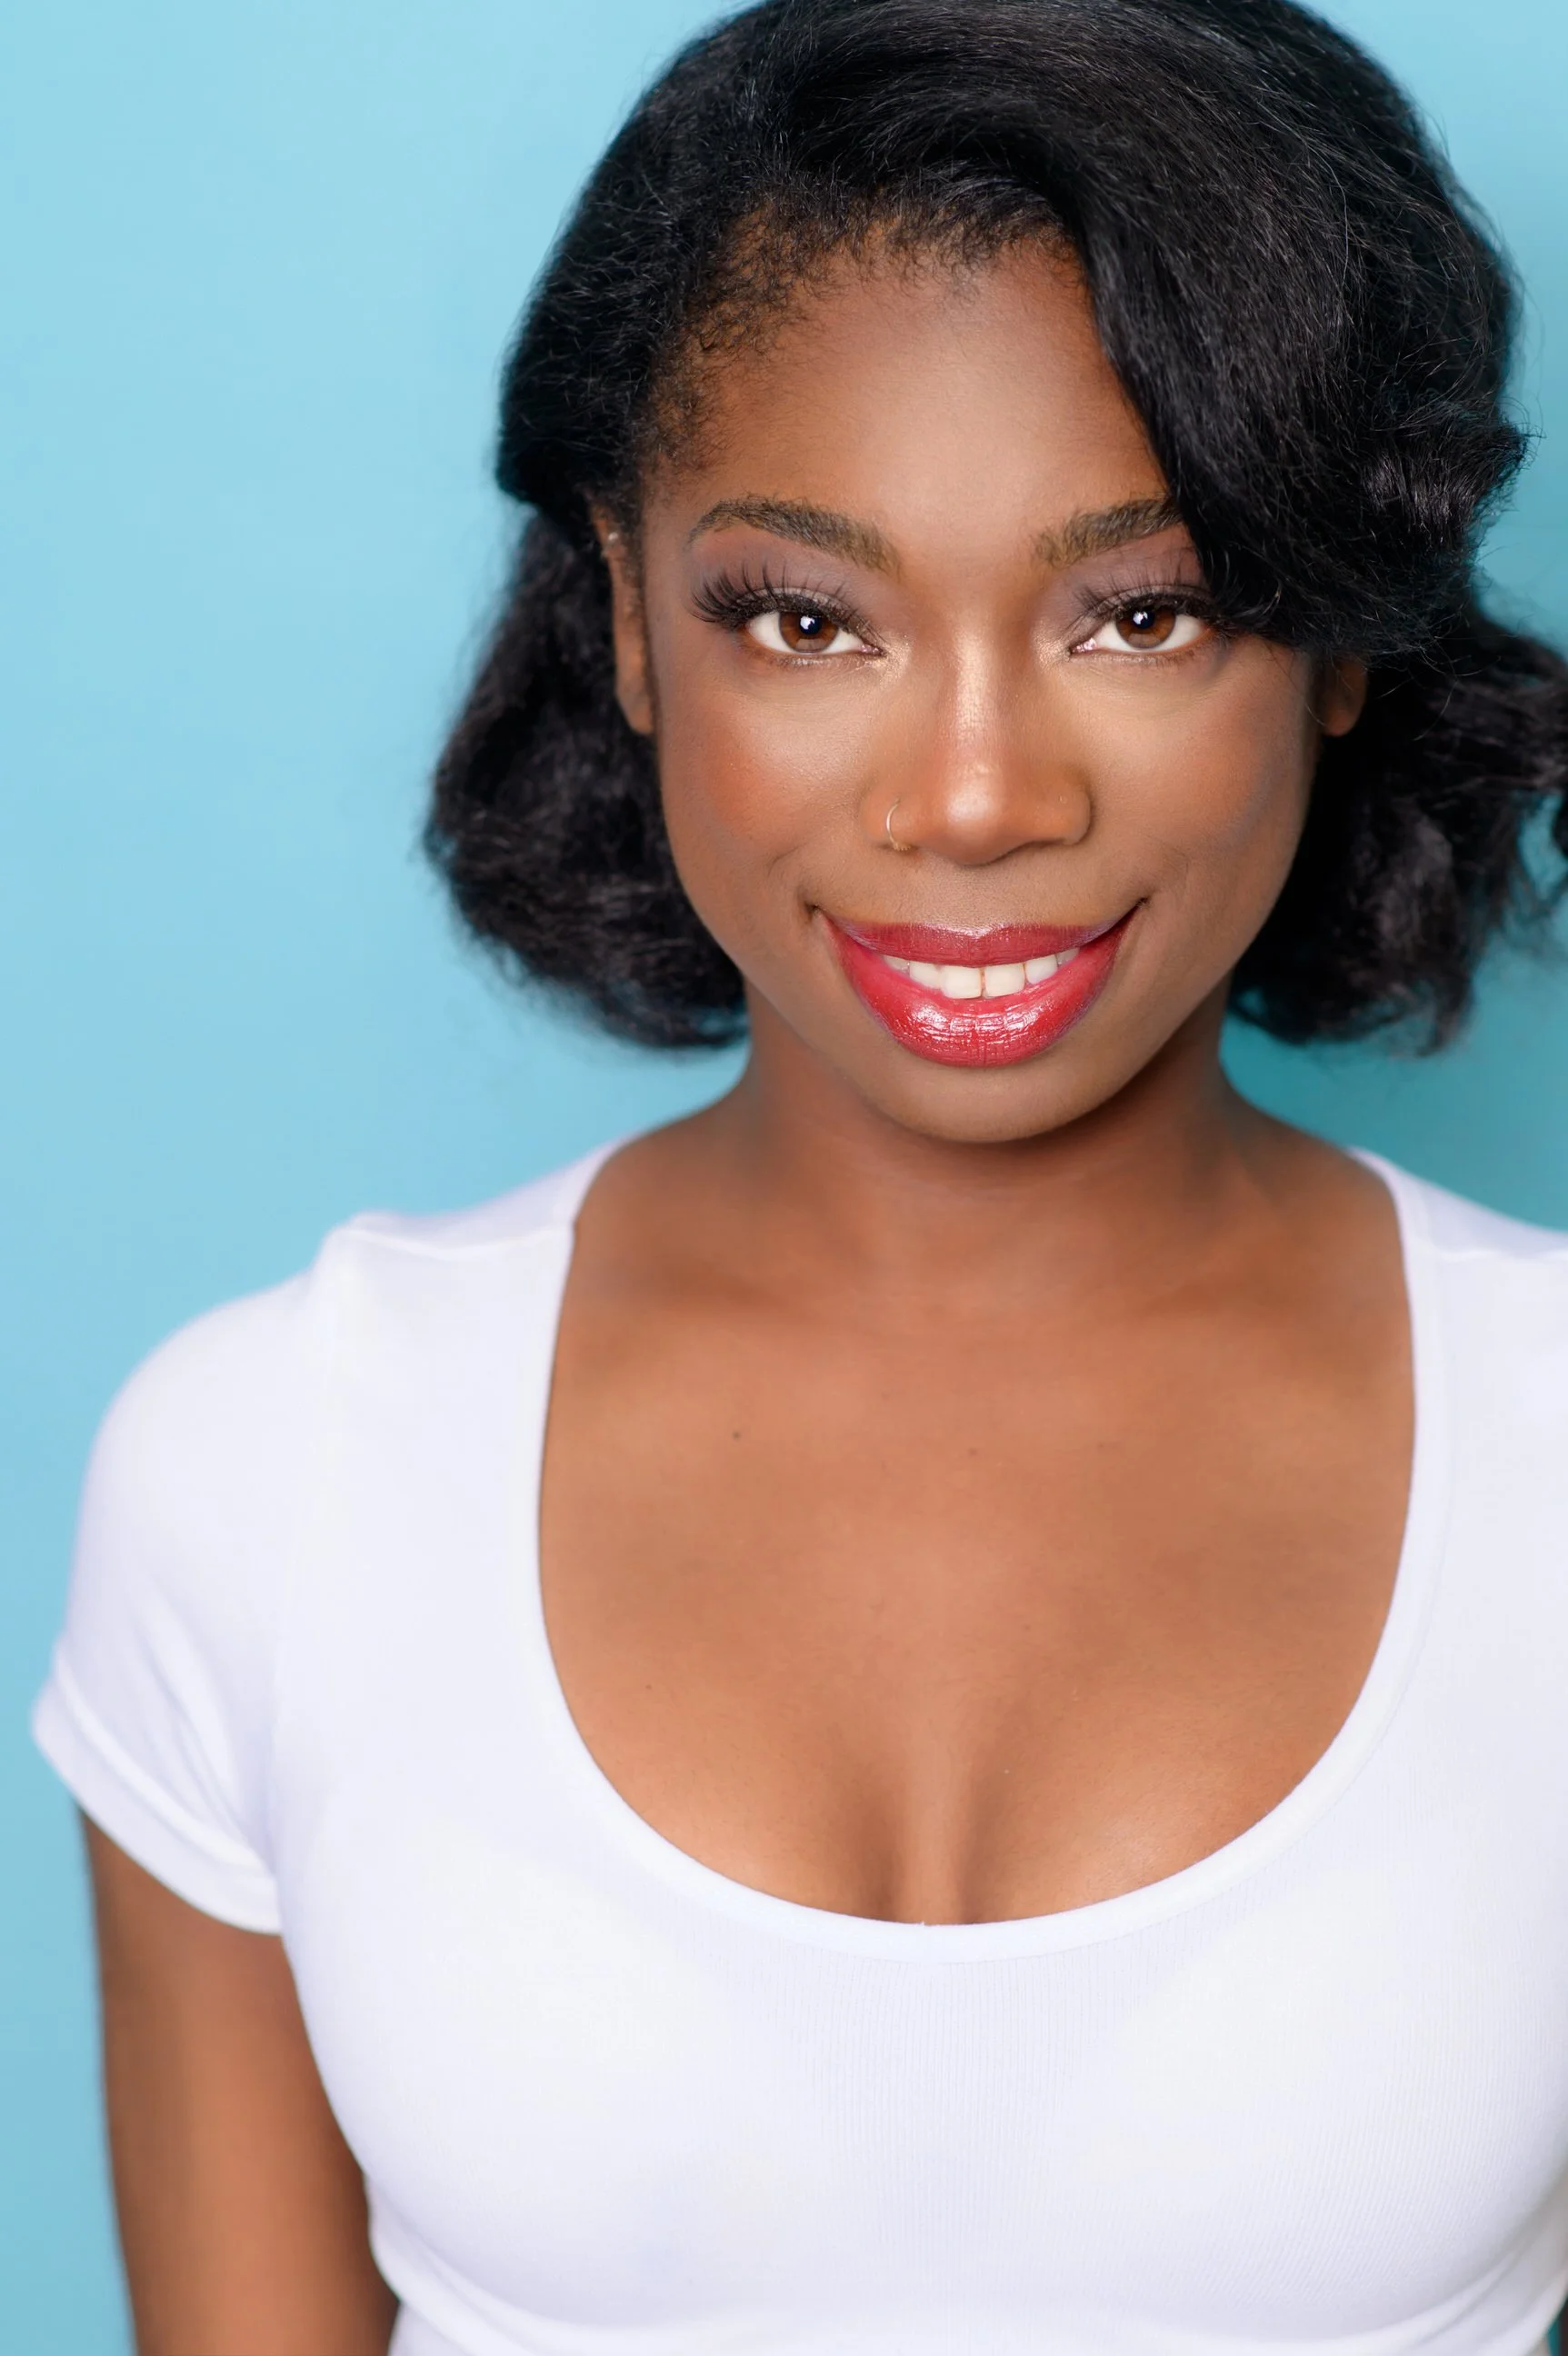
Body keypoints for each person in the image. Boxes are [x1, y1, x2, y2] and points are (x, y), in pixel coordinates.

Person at [34, 0, 1568, 2350]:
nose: (970, 799)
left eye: (1136, 608)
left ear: (1337, 638)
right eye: (805, 615)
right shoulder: (265, 1478)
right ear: (626, 617)